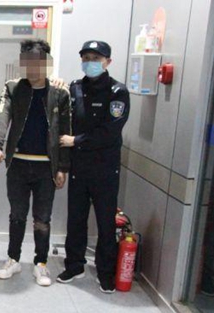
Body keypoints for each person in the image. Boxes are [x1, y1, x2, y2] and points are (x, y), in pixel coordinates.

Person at [0, 39, 71, 286]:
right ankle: (13, 259)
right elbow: (3, 116)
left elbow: (65, 131)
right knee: (17, 215)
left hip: (46, 166)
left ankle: (41, 264)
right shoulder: (13, 88)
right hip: (19, 164)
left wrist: (63, 167)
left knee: (42, 219)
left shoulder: (59, 93)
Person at [57, 40, 130, 293]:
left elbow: (110, 132)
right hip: (79, 167)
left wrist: (76, 141)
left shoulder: (118, 92)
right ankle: (74, 265)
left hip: (105, 169)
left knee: (105, 223)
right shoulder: (75, 88)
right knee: (76, 220)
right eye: (86, 58)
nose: (90, 63)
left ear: (108, 62)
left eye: (96, 59)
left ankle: (105, 273)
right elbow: (65, 117)